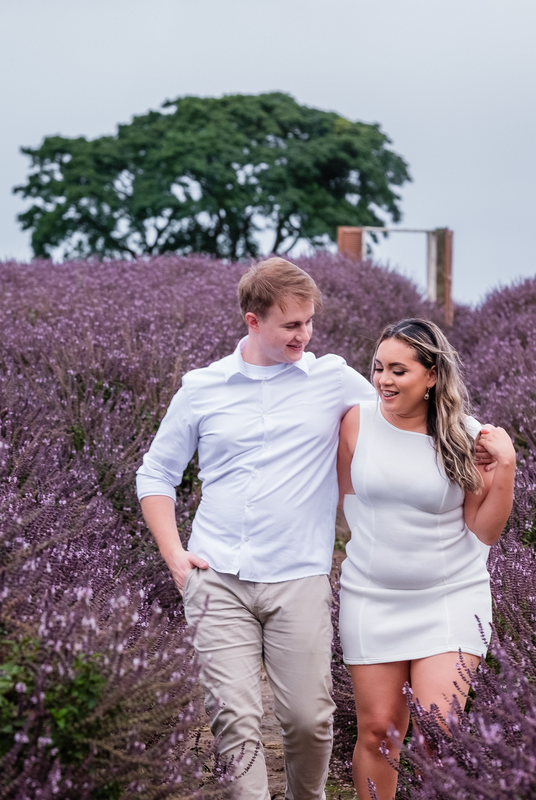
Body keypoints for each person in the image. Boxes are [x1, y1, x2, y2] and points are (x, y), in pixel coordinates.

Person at [136, 257, 380, 800]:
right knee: (234, 721)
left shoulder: (334, 379)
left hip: (299, 575)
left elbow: (404, 411)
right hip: (217, 575)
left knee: (309, 720)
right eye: (291, 325)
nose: (304, 335)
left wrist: (481, 439)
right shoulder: (202, 388)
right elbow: (155, 474)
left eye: (309, 322)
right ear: (253, 320)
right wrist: (175, 556)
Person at [336, 318, 516, 800]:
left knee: (439, 732)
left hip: (449, 597)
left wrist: (506, 465)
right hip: (371, 597)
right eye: (379, 368)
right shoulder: (356, 422)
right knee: (379, 731)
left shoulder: (468, 436)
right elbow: (347, 500)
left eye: (399, 370)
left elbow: (484, 530)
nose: (384, 380)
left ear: (432, 375)